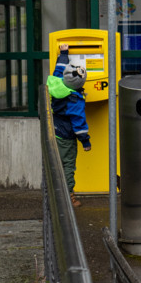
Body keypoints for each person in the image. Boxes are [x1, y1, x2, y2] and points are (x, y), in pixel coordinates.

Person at [46, 48, 91, 192]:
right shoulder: (74, 100)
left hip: (53, 131)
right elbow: (79, 123)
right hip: (66, 137)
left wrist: (63, 54)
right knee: (68, 165)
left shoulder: (57, 82)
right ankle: (68, 194)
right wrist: (85, 141)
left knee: (54, 164)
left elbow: (59, 69)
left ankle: (54, 192)